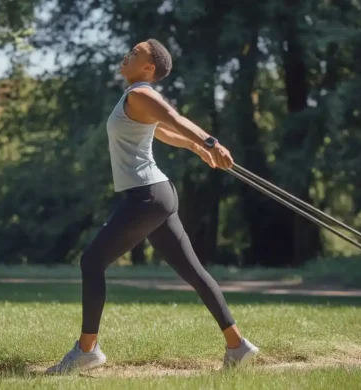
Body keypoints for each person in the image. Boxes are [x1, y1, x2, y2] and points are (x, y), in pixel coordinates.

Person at [46, 38, 259, 374]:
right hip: (157, 196)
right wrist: (195, 147)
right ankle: (237, 345)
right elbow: (161, 131)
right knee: (194, 273)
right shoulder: (136, 98)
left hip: (145, 196)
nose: (126, 55)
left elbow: (173, 118)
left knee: (91, 262)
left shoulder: (141, 94)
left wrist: (211, 142)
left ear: (148, 68)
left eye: (135, 54)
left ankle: (87, 350)